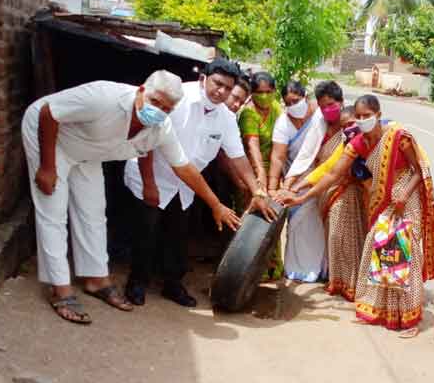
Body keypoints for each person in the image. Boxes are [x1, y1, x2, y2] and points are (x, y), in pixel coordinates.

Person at [21, 71, 235, 324]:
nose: (159, 110)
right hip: (50, 136)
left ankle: (96, 279)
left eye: (167, 108)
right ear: (142, 90)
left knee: (93, 212)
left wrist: (215, 205)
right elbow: (49, 112)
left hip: (87, 149)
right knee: (53, 211)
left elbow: (184, 167)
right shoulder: (104, 97)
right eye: (156, 101)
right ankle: (60, 289)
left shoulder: (161, 127)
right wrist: (47, 167)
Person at [283, 95, 434, 337]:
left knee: (405, 255)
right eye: (358, 116)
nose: (362, 120)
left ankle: (410, 320)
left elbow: (419, 171)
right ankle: (382, 311)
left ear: (378, 114)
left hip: (406, 199)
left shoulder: (398, 137)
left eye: (367, 115)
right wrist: (303, 197)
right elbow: (332, 174)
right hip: (385, 200)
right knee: (378, 249)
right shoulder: (357, 143)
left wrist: (404, 194)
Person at [123, 59, 275, 307]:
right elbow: (148, 141)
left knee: (177, 236)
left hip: (186, 186)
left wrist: (257, 189)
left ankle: (173, 285)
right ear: (204, 78)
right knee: (146, 233)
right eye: (217, 84)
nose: (222, 91)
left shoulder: (225, 117)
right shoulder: (178, 98)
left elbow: (238, 156)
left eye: (228, 87)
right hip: (151, 175)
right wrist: (149, 183)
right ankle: (137, 282)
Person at [291, 102, 366, 300]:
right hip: (336, 192)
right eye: (343, 126)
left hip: (354, 195)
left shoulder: (372, 139)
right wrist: (298, 187)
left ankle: (352, 284)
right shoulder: (347, 144)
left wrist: (302, 195)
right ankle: (338, 281)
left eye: (351, 123)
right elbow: (328, 170)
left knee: (347, 239)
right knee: (335, 239)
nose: (348, 129)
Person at [267, 81, 325, 282]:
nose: (293, 105)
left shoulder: (320, 114)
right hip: (294, 182)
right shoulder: (283, 123)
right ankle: (300, 269)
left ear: (305, 97)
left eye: (296, 100)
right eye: (288, 102)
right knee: (299, 227)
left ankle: (322, 268)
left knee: (321, 226)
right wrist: (273, 188)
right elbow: (278, 157)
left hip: (322, 177)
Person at [238, 71, 284, 279]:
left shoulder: (276, 108)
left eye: (268, 92)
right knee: (251, 221)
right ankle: (245, 268)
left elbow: (281, 142)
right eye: (259, 92)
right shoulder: (248, 113)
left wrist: (274, 178)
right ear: (252, 93)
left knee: (272, 217)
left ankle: (274, 265)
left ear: (274, 91)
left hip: (273, 169)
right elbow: (252, 146)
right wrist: (260, 180)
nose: (264, 96)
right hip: (250, 171)